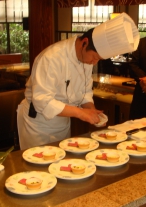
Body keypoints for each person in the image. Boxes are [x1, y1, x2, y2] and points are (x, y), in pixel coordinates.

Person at [17, 13, 139, 150]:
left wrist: (90, 109)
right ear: (84, 43)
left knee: (61, 161)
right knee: (38, 165)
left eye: (98, 60)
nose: (94, 63)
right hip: (38, 124)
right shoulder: (51, 58)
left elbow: (85, 91)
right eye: (94, 57)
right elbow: (42, 101)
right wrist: (80, 113)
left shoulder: (85, 59)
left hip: (63, 121)